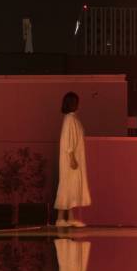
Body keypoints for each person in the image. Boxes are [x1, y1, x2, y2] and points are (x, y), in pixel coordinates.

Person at [55, 91, 90, 227]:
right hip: (71, 160)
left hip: (74, 159)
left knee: (71, 187)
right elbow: (68, 140)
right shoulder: (69, 120)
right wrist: (71, 157)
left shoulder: (72, 119)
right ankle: (60, 218)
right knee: (66, 186)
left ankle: (69, 217)